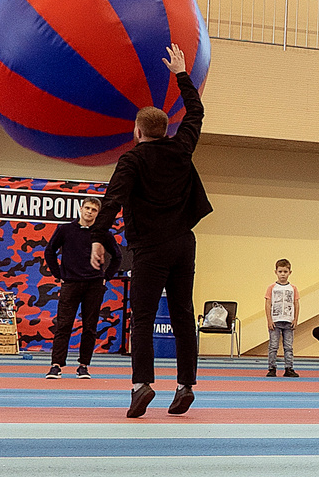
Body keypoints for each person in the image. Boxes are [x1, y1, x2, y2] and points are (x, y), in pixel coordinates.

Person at [86, 43, 207, 419]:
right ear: (166, 129)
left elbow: (112, 200)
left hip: (150, 249)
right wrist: (182, 74)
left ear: (137, 131)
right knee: (183, 313)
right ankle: (185, 385)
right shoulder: (181, 148)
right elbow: (197, 111)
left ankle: (142, 385)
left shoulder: (132, 159)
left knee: (142, 317)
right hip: (184, 244)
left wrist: (97, 240)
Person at [44, 215, 112, 377]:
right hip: (70, 283)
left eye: (94, 210)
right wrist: (58, 274)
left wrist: (105, 277)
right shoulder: (65, 229)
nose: (90, 212)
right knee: (63, 325)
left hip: (94, 285)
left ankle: (83, 366)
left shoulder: (102, 232)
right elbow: (49, 251)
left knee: (90, 327)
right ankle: (56, 365)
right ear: (81, 209)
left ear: (98, 213)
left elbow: (117, 256)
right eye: (87, 208)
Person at [264, 259, 300, 378]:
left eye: (285, 271)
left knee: (288, 346)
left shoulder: (293, 288)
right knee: (273, 346)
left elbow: (296, 304)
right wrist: (269, 320)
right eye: (280, 271)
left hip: (288, 321)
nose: (283, 274)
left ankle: (289, 368)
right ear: (276, 272)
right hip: (275, 321)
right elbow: (268, 304)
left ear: (290, 272)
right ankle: (272, 368)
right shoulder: (272, 287)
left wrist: (295, 319)